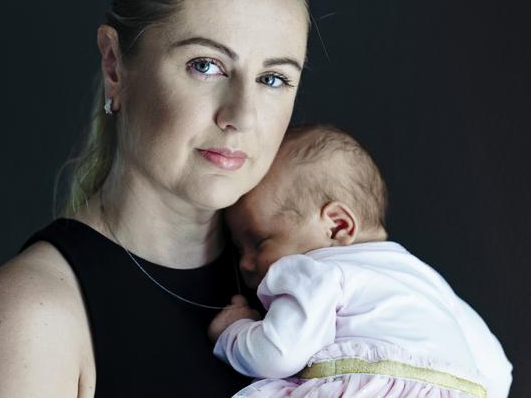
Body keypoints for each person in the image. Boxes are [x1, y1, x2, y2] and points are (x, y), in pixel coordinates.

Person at [0, 0, 312, 397]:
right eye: (206, 65)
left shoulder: (312, 284)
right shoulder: (31, 314)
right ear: (115, 66)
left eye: (273, 79)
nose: (241, 115)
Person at [208, 124, 513, 398]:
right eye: (239, 248)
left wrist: (234, 331)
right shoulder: (428, 280)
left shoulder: (317, 270)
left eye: (259, 242)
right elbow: (498, 372)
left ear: (338, 226)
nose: (245, 263)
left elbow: (277, 354)